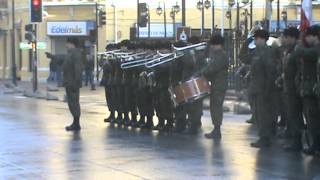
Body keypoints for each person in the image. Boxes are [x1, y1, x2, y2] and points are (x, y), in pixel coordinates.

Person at [243, 29, 278, 148]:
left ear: (263, 39)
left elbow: (270, 72)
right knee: (258, 114)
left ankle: (265, 138)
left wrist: (268, 90)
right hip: (256, 88)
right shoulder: (256, 52)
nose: (255, 41)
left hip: (263, 89)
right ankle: (263, 136)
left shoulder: (267, 53)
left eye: (257, 38)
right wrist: (246, 42)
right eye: (255, 38)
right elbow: (243, 57)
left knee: (263, 115)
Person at [280, 27, 304, 151]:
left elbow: (300, 70)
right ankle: (295, 139)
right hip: (288, 87)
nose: (285, 40)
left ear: (293, 38)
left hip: (294, 88)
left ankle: (298, 141)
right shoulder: (289, 50)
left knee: (296, 115)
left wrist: (298, 85)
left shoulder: (297, 50)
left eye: (287, 37)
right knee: (292, 114)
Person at [201, 34, 229, 139]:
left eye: (213, 45)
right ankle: (216, 129)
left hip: (219, 85)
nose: (211, 47)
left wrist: (200, 73)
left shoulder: (221, 56)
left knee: (216, 107)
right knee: (214, 107)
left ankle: (217, 130)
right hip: (216, 84)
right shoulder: (217, 55)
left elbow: (211, 68)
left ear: (219, 45)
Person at [298, 25, 320, 155]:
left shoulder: (315, 50)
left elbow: (301, 53)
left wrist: (300, 41)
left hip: (313, 89)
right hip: (312, 89)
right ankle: (315, 145)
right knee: (312, 118)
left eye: (308, 36)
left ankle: (316, 145)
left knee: (313, 118)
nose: (306, 39)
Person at [63, 38, 83, 131]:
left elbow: (78, 69)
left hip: (73, 83)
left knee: (74, 103)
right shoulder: (70, 54)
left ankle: (76, 123)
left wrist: (77, 82)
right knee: (71, 103)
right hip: (69, 82)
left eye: (67, 43)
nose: (66, 45)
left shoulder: (76, 54)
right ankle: (75, 122)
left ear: (72, 44)